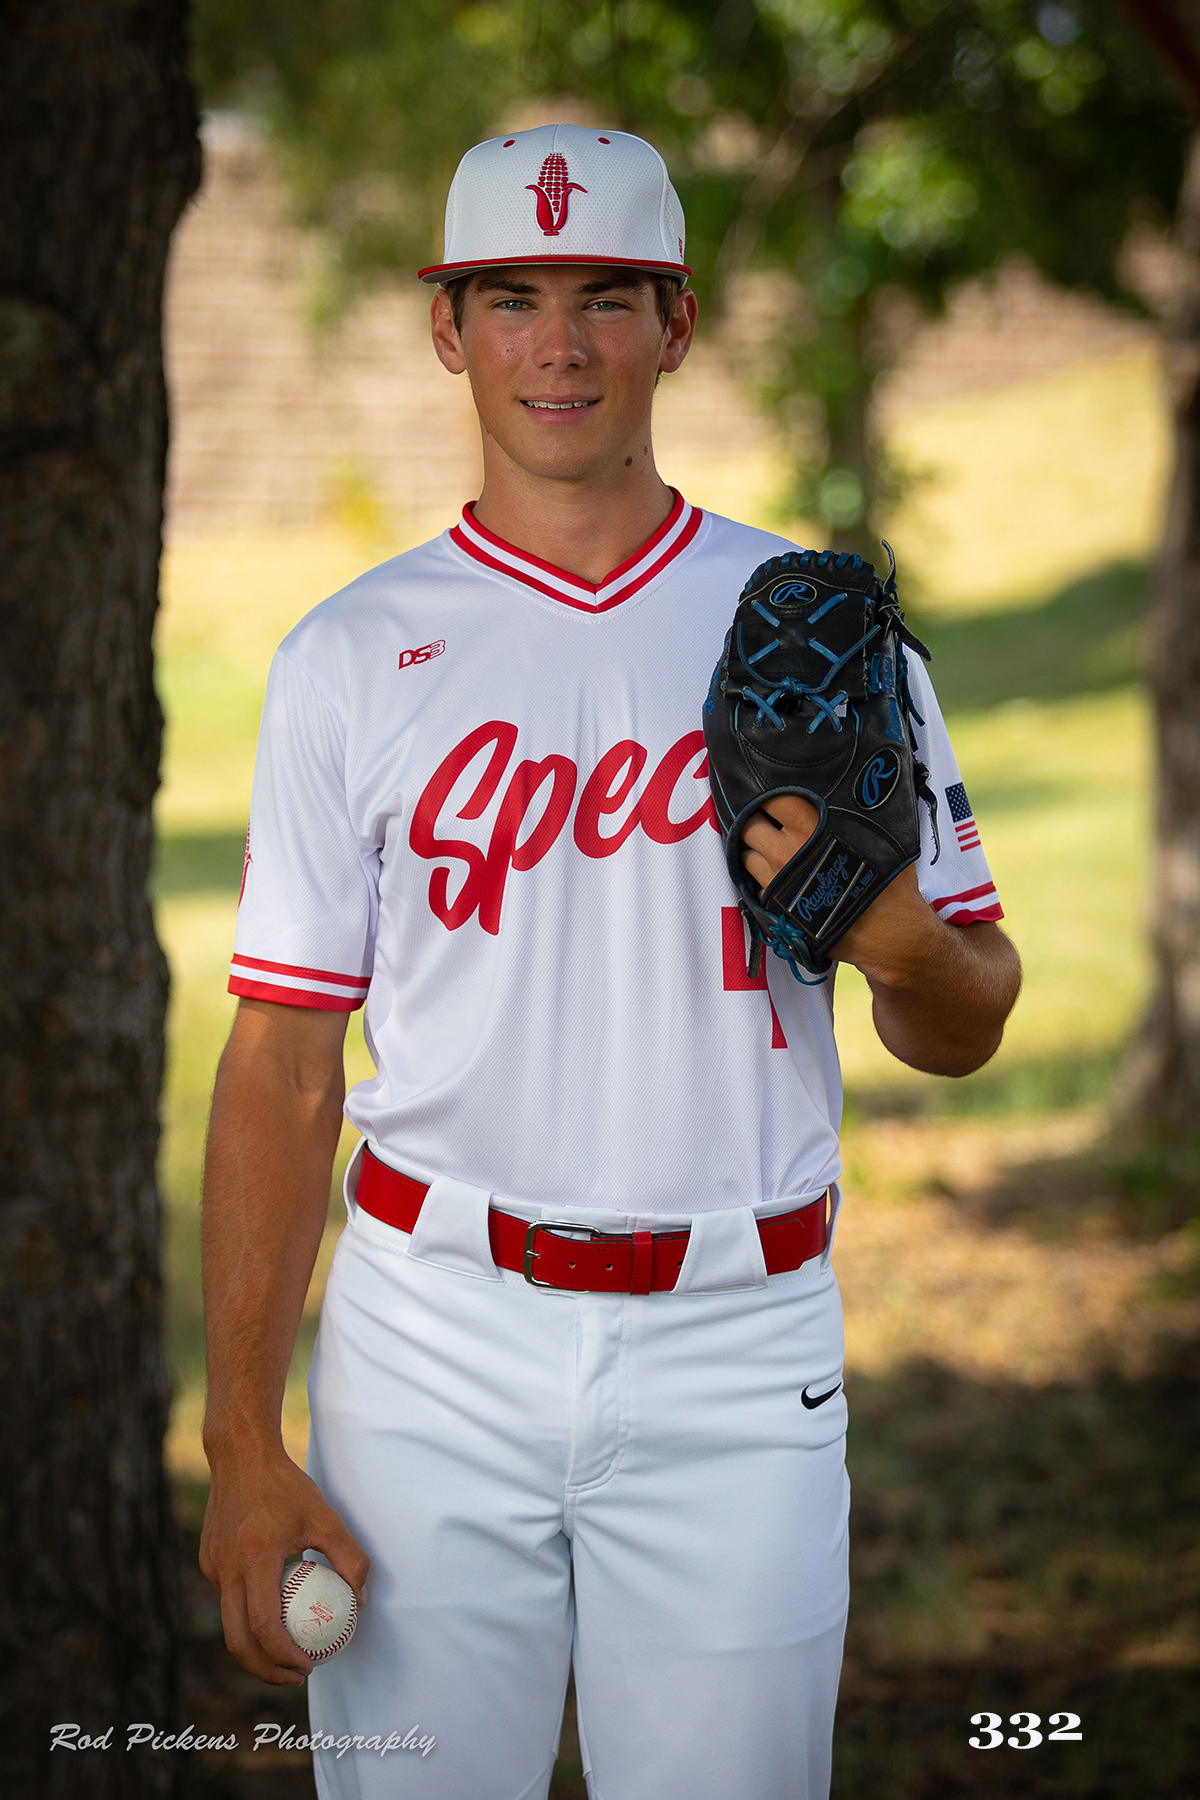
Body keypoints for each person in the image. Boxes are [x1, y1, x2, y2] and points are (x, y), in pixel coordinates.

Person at [199, 123, 1021, 1800]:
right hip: (431, 1340)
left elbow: (971, 1019)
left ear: (678, 325)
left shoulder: (816, 626)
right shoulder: (347, 657)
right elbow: (282, 1065)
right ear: (448, 328)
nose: (558, 345)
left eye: (606, 298)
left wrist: (899, 945)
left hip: (739, 1341)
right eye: (511, 297)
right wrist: (238, 1440)